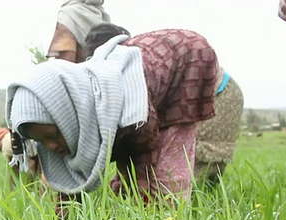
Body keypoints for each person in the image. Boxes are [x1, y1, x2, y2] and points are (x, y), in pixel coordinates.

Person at [7, 29, 219, 207]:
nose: (51, 146)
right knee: (126, 171)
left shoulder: (130, 113)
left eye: (52, 135)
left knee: (165, 172)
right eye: (42, 141)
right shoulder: (77, 109)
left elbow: (143, 153)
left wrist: (143, 204)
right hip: (143, 75)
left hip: (186, 61)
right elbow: (71, 182)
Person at [85, 24, 244, 186]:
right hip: (177, 98)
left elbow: (143, 138)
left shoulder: (132, 67)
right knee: (150, 170)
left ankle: (193, 208)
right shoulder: (99, 79)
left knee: (193, 167)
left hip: (219, 94)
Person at [46, 0, 111, 63]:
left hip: (76, 72)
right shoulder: (105, 19)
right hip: (103, 72)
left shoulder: (68, 14)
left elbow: (66, 59)